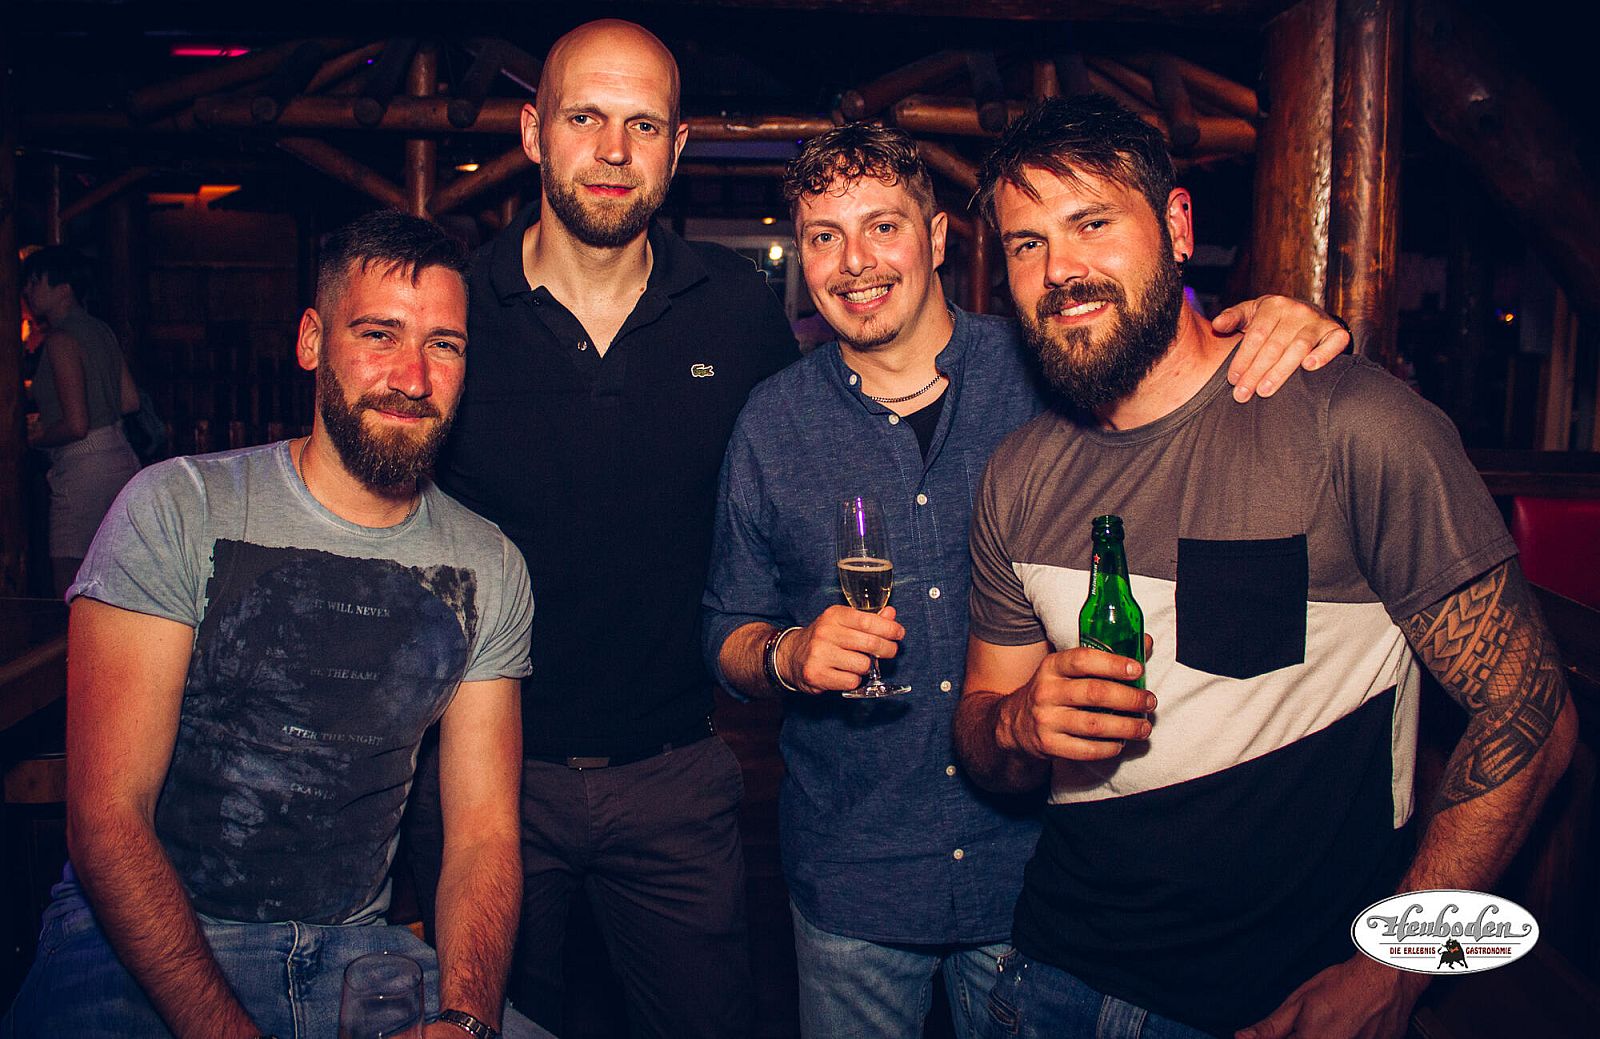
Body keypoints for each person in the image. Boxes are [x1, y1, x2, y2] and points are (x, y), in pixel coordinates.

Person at [701, 123, 1349, 1038]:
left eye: (883, 226)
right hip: (854, 883)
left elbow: (1172, 358)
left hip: (1040, 886)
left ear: (936, 238)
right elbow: (726, 629)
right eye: (823, 236)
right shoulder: (772, 423)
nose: (855, 262)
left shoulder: (1055, 367)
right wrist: (786, 654)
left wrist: (1282, 324)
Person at [954, 95, 1576, 1039]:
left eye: (1093, 223)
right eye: (1027, 243)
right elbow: (980, 734)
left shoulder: (1352, 425)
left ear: (1177, 226)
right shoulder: (1018, 472)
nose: (1062, 270)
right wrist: (1017, 724)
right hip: (1046, 980)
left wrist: (1394, 974)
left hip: (1277, 1006)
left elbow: (1533, 717)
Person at [1, 211, 545, 1039]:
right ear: (311, 341)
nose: (412, 376)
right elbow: (108, 821)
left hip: (354, 951)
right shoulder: (177, 508)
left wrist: (464, 1018)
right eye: (379, 334)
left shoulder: (489, 564)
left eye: (444, 345)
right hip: (135, 942)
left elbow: (482, 837)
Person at [428, 19, 798, 1038]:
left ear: (678, 148)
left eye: (643, 124)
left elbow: (821, 463)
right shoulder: (457, 310)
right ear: (532, 132)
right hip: (485, 777)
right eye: (584, 117)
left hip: (676, 776)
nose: (613, 149)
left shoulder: (736, 310)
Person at [20, 246, 142, 596]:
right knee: (114, 580)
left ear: (64, 289)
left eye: (35, 282)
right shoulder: (101, 329)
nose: (27, 290)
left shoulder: (60, 339)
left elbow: (76, 425)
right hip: (120, 456)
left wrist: (34, 437)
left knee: (70, 584)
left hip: (83, 468)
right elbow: (129, 401)